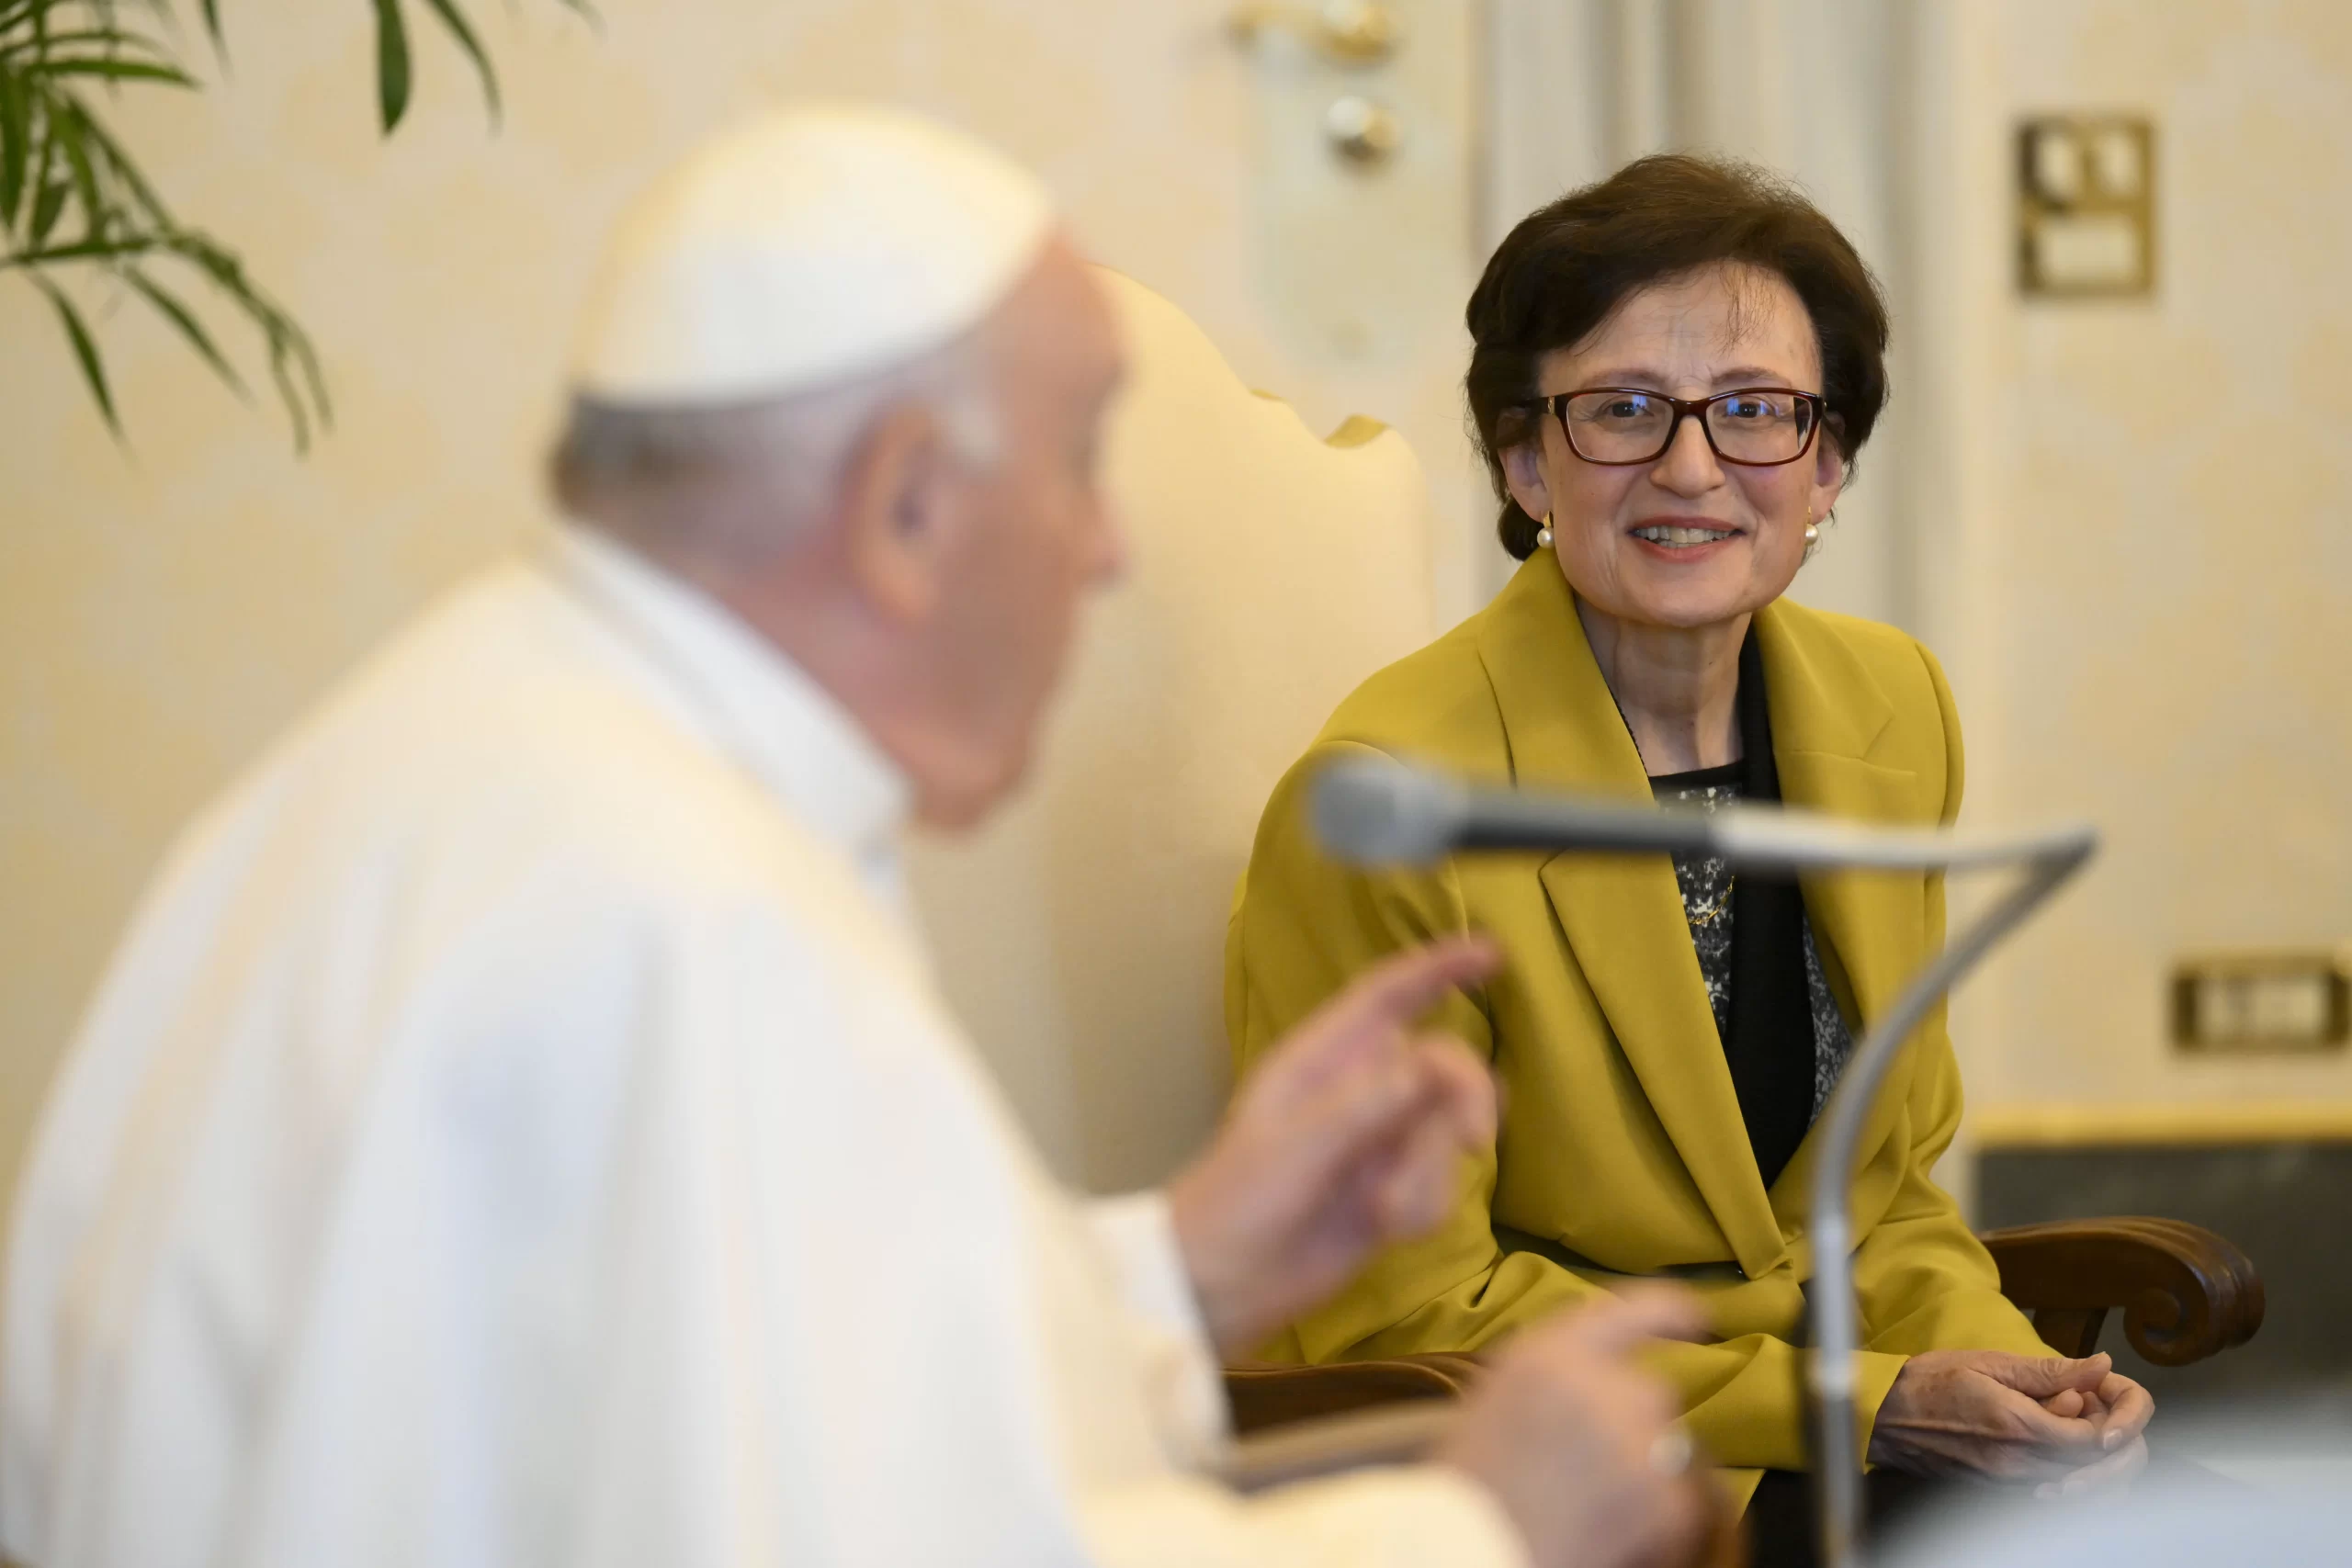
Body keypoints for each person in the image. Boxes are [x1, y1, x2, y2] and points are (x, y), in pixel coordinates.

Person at [0, 107, 1712, 1568]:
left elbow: (747, 1400)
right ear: (903, 508)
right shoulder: (681, 907)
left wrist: (1177, 1271)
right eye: (1074, 466)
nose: (1109, 553)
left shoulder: (441, 750)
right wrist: (1472, 1522)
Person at [1222, 154, 2154, 1565]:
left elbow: (1885, 1192)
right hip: (1584, 1480)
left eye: (1757, 412)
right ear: (1525, 461)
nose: (1694, 466)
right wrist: (1859, 1403)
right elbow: (1402, 1313)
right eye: (1623, 411)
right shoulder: (1389, 805)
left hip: (1864, 1440)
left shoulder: (1892, 705)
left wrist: (2022, 1385)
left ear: (1828, 464)